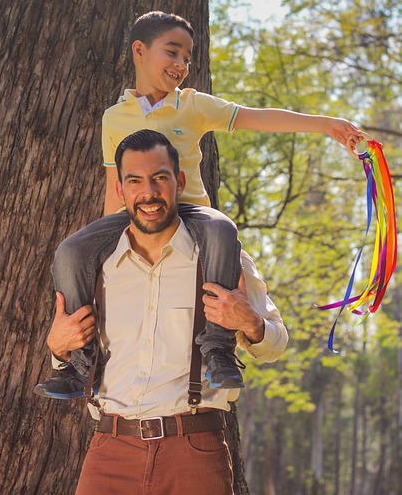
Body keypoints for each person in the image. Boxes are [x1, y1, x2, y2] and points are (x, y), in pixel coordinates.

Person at [35, 11, 363, 400]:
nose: (181, 65)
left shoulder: (193, 106)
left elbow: (257, 119)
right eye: (172, 53)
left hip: (190, 212)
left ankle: (219, 348)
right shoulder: (114, 117)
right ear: (139, 51)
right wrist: (110, 241)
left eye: (188, 59)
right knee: (72, 250)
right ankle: (78, 363)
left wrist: (325, 124)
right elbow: (115, 185)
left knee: (221, 229)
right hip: (133, 214)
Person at [44, 130, 289, 495]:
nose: (149, 192)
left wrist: (250, 323)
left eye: (160, 178)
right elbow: (70, 346)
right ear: (121, 190)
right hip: (111, 448)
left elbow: (276, 344)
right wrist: (57, 348)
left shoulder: (221, 259)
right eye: (135, 181)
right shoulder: (97, 265)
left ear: (179, 182)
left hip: (192, 450)